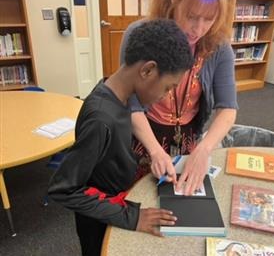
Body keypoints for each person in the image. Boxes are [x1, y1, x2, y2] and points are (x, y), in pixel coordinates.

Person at [48, 19, 194, 256]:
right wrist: (132, 217)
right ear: (147, 70)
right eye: (168, 87)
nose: (166, 96)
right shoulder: (101, 119)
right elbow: (63, 189)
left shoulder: (118, 94)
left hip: (113, 205)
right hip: (98, 221)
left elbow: (108, 156)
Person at [120, 0, 239, 195]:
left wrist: (204, 149)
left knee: (184, 204)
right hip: (143, 136)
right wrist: (154, 150)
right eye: (192, 16)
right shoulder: (140, 35)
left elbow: (228, 108)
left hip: (189, 140)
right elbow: (130, 102)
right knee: (140, 203)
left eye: (209, 19)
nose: (199, 29)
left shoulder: (219, 46)